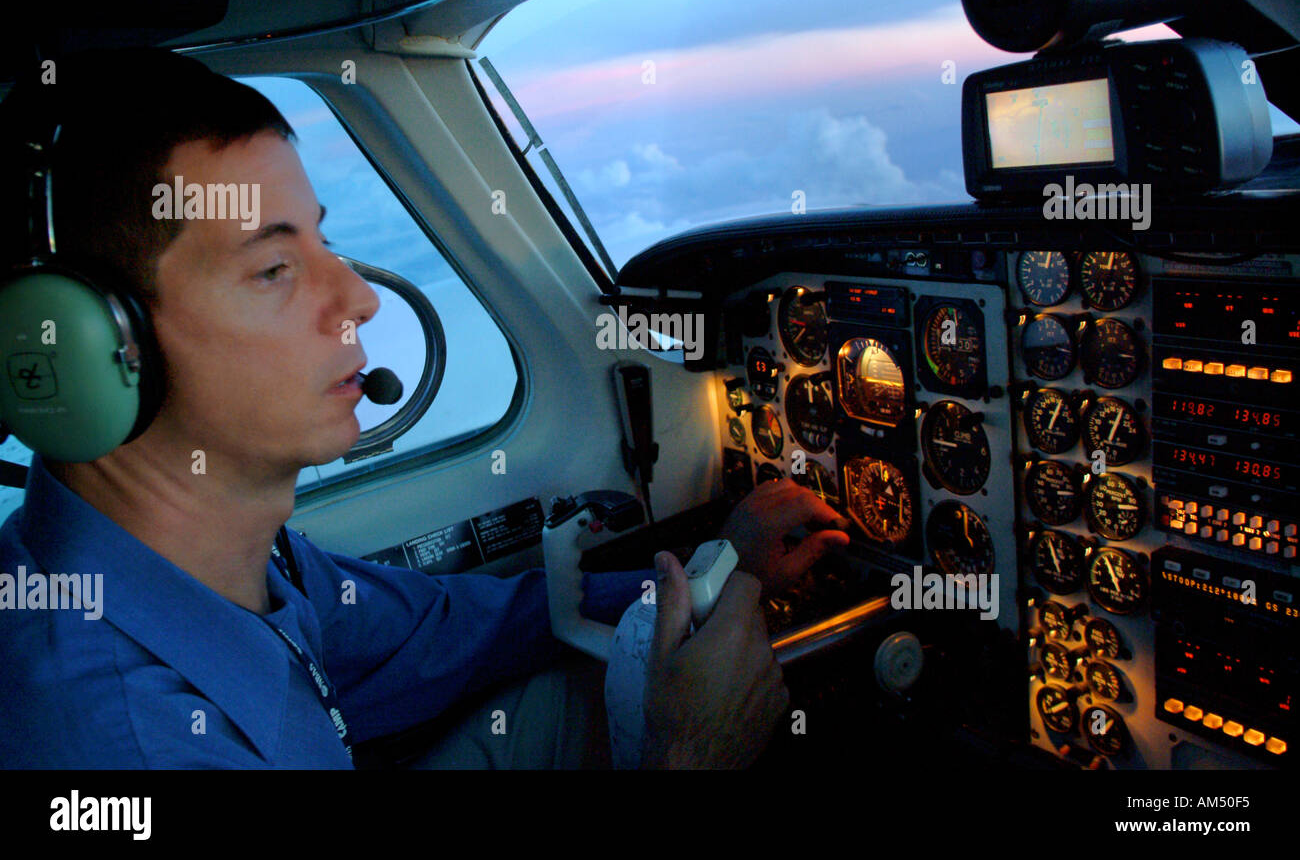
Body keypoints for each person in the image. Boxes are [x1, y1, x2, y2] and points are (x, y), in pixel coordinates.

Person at [0, 49, 849, 768]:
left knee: (569, 688)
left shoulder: (240, 561)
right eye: (272, 269)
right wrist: (690, 756)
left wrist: (715, 570)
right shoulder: (121, 741)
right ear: (84, 350)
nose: (359, 299)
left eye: (322, 242)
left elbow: (450, 629)